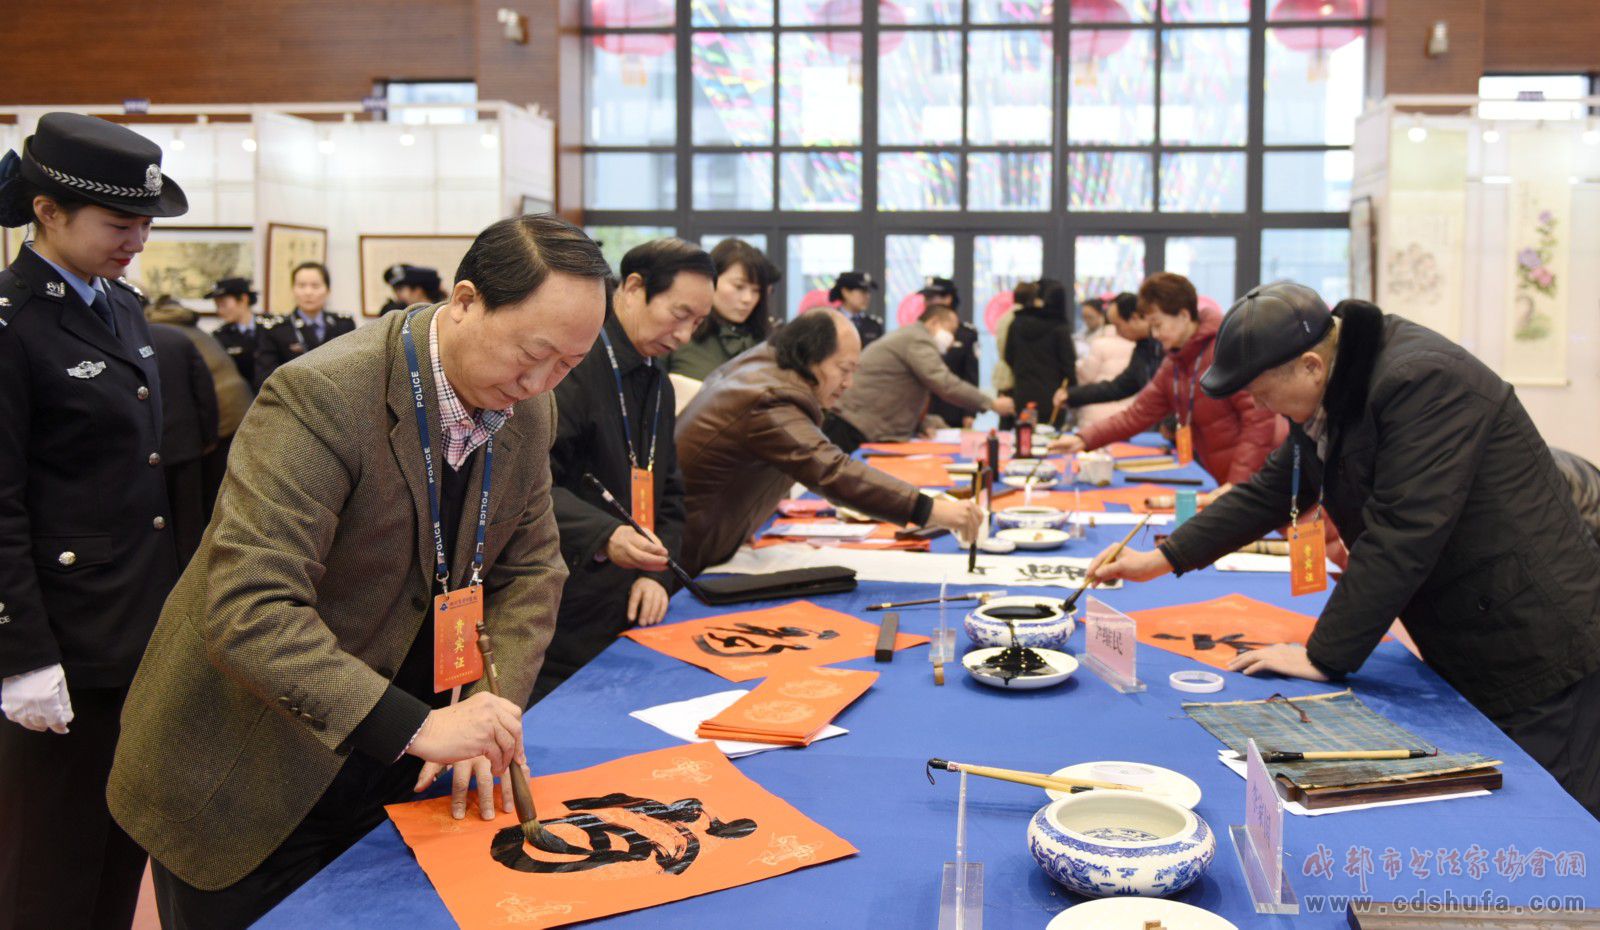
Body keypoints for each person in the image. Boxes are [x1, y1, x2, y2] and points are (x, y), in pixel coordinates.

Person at [106, 214, 610, 927]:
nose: (539, 381)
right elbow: (250, 611)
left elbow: (533, 571)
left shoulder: (530, 410)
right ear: (464, 301)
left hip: (402, 770)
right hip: (251, 768)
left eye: (567, 364)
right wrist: (415, 726)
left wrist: (488, 712)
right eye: (532, 353)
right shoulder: (321, 398)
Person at [1088, 281, 1600, 816]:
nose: (1260, 407)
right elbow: (1274, 488)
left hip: (1534, 642)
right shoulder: (1335, 385)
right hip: (1469, 623)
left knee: (1549, 815)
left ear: (1310, 365)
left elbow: (1402, 533)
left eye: (1262, 393)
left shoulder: (1422, 381)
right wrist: (1162, 559)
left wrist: (1322, 654)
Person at [0, 111, 188, 930]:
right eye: (119, 223)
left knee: (120, 851)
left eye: (144, 223)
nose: (136, 240)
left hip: (133, 632)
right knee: (49, 868)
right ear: (47, 211)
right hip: (63, 645)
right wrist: (22, 656)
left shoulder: (122, 307)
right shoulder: (14, 328)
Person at [533, 239, 713, 702]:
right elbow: (532, 487)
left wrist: (658, 574)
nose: (685, 335)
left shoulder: (657, 381)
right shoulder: (570, 367)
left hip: (634, 599)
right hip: (563, 609)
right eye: (679, 314)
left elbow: (670, 497)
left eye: (697, 322)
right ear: (633, 288)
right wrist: (605, 536)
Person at [677, 309, 984, 574]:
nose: (848, 384)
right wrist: (930, 510)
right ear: (811, 357)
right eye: (843, 370)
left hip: (707, 540)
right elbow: (831, 471)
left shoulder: (766, 365)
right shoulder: (770, 400)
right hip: (684, 558)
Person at [1049, 273, 1280, 495]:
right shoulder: (1175, 362)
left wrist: (1238, 483)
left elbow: (1258, 423)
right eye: (1152, 327)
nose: (1155, 334)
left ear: (1183, 315)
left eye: (1158, 325)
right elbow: (1137, 414)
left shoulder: (1226, 350)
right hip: (1225, 481)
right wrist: (1084, 438)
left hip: (1258, 483)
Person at [825, 303, 1015, 452]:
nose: (953, 337)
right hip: (852, 427)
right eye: (951, 329)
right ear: (933, 322)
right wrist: (991, 403)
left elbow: (899, 388)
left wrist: (920, 423)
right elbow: (944, 382)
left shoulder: (910, 337)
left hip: (859, 423)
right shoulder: (917, 339)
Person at [149, 291, 254, 517]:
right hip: (241, 409)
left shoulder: (160, 335)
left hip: (222, 417)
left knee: (208, 504)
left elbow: (196, 392)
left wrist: (207, 439)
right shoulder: (189, 328)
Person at [146, 316, 220, 568]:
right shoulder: (179, 339)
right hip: (186, 446)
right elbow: (205, 392)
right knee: (191, 523)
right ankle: (193, 585)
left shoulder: (120, 342)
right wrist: (209, 437)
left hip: (146, 451)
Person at [668, 238, 779, 381]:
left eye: (756, 290)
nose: (748, 299)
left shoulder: (769, 342)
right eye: (738, 286)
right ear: (711, 280)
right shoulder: (679, 333)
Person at [1056, 291, 1153, 427]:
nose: (1117, 332)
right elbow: (1120, 386)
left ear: (1135, 318)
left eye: (1118, 325)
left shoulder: (1159, 346)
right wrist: (1073, 395)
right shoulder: (1143, 347)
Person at [254, 261, 355, 386]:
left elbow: (352, 370)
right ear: (293, 290)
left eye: (315, 286)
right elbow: (266, 376)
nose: (308, 292)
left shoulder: (344, 325)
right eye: (301, 286)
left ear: (328, 290)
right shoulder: (276, 329)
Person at [1004, 277, 1077, 421]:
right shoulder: (1059, 327)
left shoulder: (1017, 322)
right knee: (1051, 439)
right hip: (1053, 398)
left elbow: (1008, 356)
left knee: (1024, 436)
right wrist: (1072, 391)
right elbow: (1068, 363)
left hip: (1023, 392)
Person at [921, 277, 981, 430]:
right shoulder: (918, 332)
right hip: (923, 411)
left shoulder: (965, 333)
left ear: (948, 299)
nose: (927, 302)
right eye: (926, 298)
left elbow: (970, 375)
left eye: (932, 297)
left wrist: (970, 412)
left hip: (953, 410)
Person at [991, 281, 1040, 422]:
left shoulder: (1003, 317)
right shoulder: (1025, 320)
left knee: (1005, 420)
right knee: (1026, 420)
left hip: (1003, 375)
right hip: (1020, 376)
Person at [209, 276, 263, 387]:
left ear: (243, 299)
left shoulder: (272, 328)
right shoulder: (219, 336)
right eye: (217, 306)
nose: (220, 311)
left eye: (223, 305)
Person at [829, 270, 883, 347]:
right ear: (845, 292)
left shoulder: (874, 325)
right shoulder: (831, 322)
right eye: (863, 291)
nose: (867, 296)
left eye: (868, 292)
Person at [379, 263, 445, 315]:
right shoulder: (400, 312)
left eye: (400, 289)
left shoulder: (439, 313)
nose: (397, 295)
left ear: (418, 290)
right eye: (395, 290)